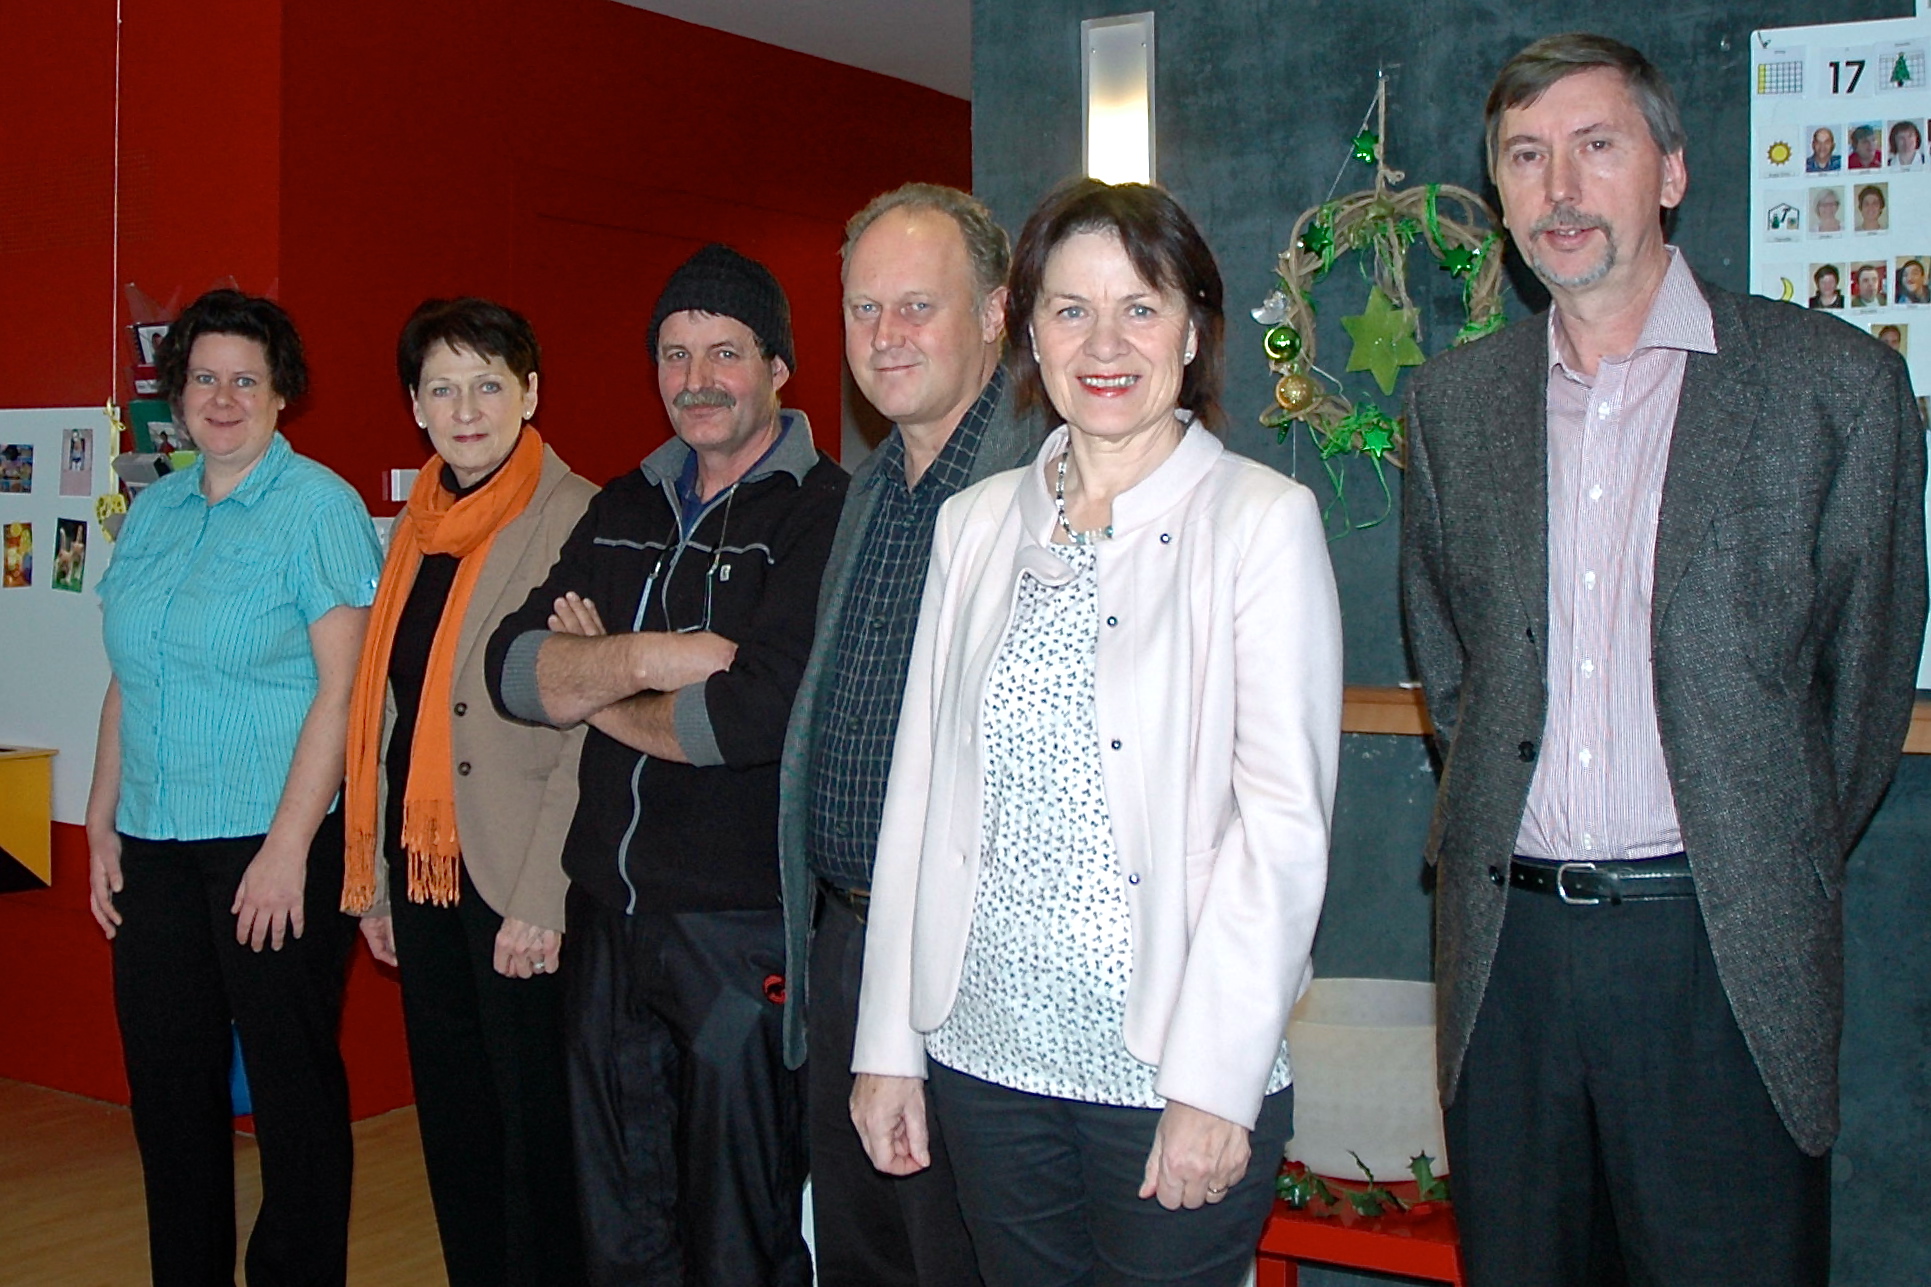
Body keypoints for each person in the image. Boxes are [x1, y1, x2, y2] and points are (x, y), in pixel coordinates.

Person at [1402, 34, 1925, 1286]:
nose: (1558, 188)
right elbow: (1454, 673)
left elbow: (1859, 696)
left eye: (1595, 146)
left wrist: (1752, 841)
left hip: (1720, 955)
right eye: (1523, 157)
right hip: (1508, 963)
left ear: (1671, 172)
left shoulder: (1831, 387)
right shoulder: (1451, 407)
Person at [851, 178, 1342, 1287]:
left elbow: (1281, 833)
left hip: (1168, 1072)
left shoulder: (1261, 523)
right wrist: (887, 1047)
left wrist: (1216, 1083)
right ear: (1029, 333)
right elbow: (917, 800)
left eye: (1140, 307)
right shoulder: (973, 525)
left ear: (1192, 329)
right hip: (983, 1058)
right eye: (1070, 310)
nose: (1104, 343)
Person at [485, 244, 847, 1286]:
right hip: (607, 923)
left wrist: (590, 681)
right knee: (619, 1231)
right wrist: (649, 660)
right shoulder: (623, 506)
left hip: (739, 935)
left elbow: (746, 718)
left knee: (738, 1235)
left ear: (778, 366)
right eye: (675, 355)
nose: (696, 379)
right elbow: (511, 670)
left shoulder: (823, 511)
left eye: (724, 352)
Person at [84, 289, 382, 1285]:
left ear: (280, 393)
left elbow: (345, 691)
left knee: (291, 1094)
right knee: (168, 1092)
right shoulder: (155, 512)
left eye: (245, 379)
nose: (222, 398)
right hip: (154, 845)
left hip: (272, 842)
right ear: (176, 394)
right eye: (204, 378)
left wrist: (288, 848)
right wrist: (101, 821)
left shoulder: (319, 508)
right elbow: (132, 677)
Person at [778, 183, 1038, 1287]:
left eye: (916, 307)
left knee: (957, 1259)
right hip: (846, 944)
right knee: (859, 1255)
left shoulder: (1046, 482)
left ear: (994, 313)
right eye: (862, 308)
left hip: (969, 962)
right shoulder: (870, 485)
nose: (884, 335)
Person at [340, 298, 597, 1287]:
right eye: (441, 389)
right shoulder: (417, 528)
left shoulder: (579, 514)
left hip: (519, 876)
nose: (465, 409)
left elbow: (592, 725)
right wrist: (376, 880)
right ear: (415, 406)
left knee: (538, 1139)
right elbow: (393, 714)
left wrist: (543, 896)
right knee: (454, 1129)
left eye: (488, 384)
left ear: (529, 393)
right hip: (426, 873)